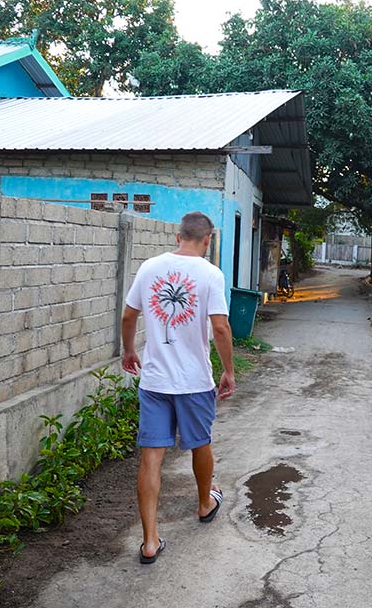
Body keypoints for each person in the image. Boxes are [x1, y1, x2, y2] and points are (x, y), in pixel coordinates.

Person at [120, 211, 236, 564]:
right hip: (193, 381)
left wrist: (128, 350)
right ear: (208, 239)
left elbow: (128, 315)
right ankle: (204, 503)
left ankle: (150, 541)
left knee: (151, 456)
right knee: (200, 443)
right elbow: (220, 328)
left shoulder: (150, 267)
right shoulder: (210, 274)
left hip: (155, 380)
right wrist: (229, 370)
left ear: (177, 236)